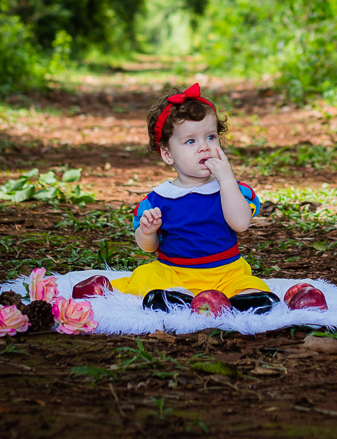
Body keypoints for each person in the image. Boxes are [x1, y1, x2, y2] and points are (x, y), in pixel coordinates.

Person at [110, 83, 279, 313]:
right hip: (175, 271)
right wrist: (147, 231)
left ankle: (246, 300)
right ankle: (177, 298)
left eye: (210, 137)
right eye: (191, 141)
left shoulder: (229, 189)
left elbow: (240, 224)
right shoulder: (159, 198)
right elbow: (149, 247)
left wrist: (227, 180)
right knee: (150, 276)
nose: (204, 147)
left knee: (248, 285)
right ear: (168, 154)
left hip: (225, 272)